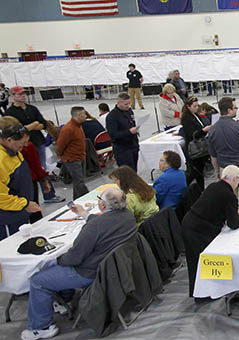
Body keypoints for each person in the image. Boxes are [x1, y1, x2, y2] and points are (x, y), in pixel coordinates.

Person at [20, 187, 137, 340]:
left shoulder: (94, 227)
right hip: (114, 268)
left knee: (38, 280)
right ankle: (64, 299)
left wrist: (57, 258)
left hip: (89, 272)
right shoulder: (127, 216)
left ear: (102, 205)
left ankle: (40, 327)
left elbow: (74, 259)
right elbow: (104, 223)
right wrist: (85, 214)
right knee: (58, 266)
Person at [182, 165, 239, 299]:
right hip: (199, 229)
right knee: (210, 259)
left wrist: (234, 213)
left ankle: (201, 292)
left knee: (195, 261)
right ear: (235, 179)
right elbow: (233, 223)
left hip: (190, 222)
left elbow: (217, 207)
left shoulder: (214, 186)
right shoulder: (229, 195)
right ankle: (209, 293)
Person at [5, 86, 63, 204]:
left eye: (24, 93)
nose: (23, 95)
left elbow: (43, 124)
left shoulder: (32, 108)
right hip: (22, 147)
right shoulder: (10, 113)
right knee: (26, 172)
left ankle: (49, 195)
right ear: (12, 96)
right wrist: (33, 125)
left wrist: (29, 127)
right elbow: (18, 130)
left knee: (42, 168)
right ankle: (28, 200)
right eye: (19, 94)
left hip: (38, 142)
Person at [210, 97, 239, 200]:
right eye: (235, 108)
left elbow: (213, 156)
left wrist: (217, 171)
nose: (237, 109)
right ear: (229, 110)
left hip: (226, 170)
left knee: (229, 202)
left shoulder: (213, 130)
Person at [0, 118, 41, 239]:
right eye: (22, 143)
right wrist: (24, 204)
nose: (25, 145)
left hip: (18, 211)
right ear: (9, 140)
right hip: (7, 213)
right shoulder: (2, 160)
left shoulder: (12, 150)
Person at [55, 107, 89, 200]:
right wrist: (63, 156)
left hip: (80, 156)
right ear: (78, 116)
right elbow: (59, 146)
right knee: (79, 182)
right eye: (84, 114)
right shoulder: (68, 129)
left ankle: (77, 201)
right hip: (72, 159)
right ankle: (87, 199)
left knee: (78, 182)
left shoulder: (79, 126)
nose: (86, 116)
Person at [181, 96, 211, 189]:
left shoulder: (196, 115)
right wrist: (204, 130)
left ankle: (201, 189)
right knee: (195, 172)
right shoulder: (186, 118)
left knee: (200, 172)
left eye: (197, 105)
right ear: (188, 107)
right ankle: (184, 187)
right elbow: (192, 134)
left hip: (200, 146)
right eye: (194, 106)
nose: (197, 108)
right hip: (193, 147)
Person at [106, 92, 140, 171]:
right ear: (118, 103)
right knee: (127, 172)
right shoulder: (112, 116)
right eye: (125, 104)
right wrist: (129, 132)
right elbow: (113, 135)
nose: (128, 106)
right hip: (122, 149)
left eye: (129, 103)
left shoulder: (129, 111)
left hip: (133, 145)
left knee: (134, 171)